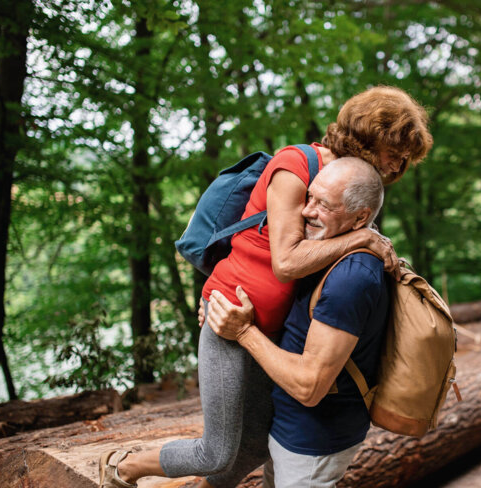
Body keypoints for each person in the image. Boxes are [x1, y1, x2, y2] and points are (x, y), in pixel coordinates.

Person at [99, 86, 432, 488]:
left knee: (256, 444)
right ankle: (123, 465)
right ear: (368, 135)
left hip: (267, 333)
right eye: (393, 154)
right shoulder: (296, 165)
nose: (396, 167)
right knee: (218, 450)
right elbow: (287, 262)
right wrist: (364, 239)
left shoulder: (346, 186)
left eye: (403, 161)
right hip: (229, 319)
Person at [207, 157, 388, 487]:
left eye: (324, 205)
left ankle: (126, 469)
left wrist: (244, 331)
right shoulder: (326, 250)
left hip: (314, 445)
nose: (306, 211)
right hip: (294, 432)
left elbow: (309, 385)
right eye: (310, 197)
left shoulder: (351, 277)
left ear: (361, 216)